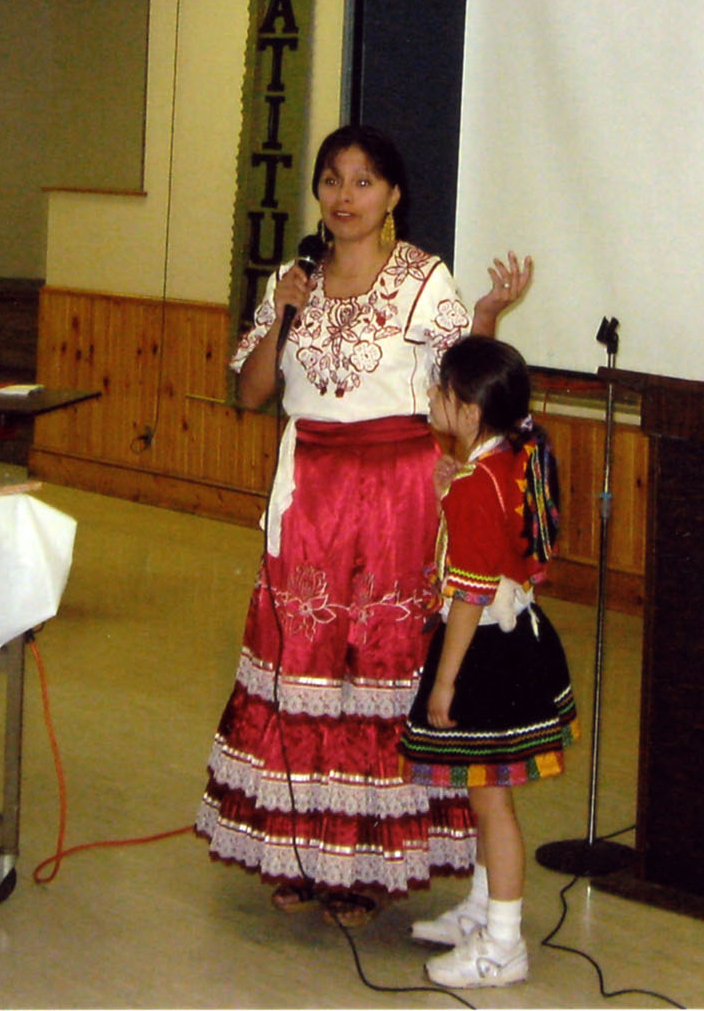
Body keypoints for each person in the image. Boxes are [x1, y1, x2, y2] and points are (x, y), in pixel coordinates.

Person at [194, 125, 532, 927]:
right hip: (308, 492)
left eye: (364, 182)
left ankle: (367, 861)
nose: (344, 198)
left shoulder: (422, 279)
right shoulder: (294, 278)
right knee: (301, 664)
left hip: (397, 497)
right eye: (332, 181)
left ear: (393, 196)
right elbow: (250, 393)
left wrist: (484, 314)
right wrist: (280, 315)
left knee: (379, 667)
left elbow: (466, 382)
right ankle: (301, 846)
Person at [400, 335, 578, 989]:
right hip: (518, 641)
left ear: (470, 410)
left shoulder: (482, 481)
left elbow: (470, 597)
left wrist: (444, 681)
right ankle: (482, 908)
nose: (431, 398)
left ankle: (502, 944)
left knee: (490, 800)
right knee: (485, 796)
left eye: (440, 391)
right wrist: (456, 488)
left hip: (487, 653)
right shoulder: (507, 461)